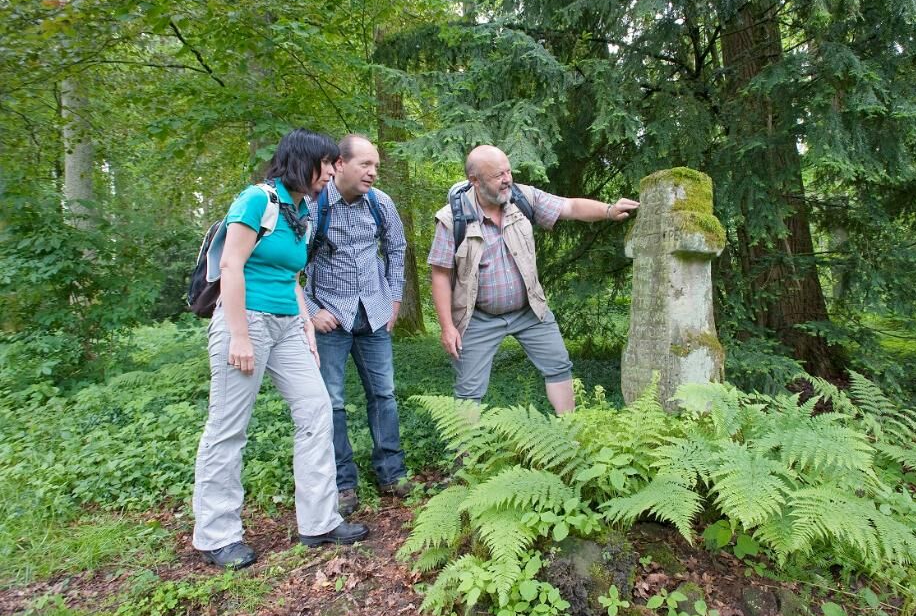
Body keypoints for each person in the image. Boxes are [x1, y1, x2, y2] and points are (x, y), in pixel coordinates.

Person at [192, 129, 369, 570]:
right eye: (327, 164)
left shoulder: (302, 211)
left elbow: (291, 277)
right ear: (303, 161)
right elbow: (231, 265)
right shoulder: (257, 200)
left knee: (316, 410)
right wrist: (239, 335)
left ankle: (320, 521)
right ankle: (217, 535)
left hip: (288, 324)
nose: (331, 172)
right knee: (228, 427)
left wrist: (305, 324)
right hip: (245, 319)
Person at [427, 145, 639, 414]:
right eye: (498, 175)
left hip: (530, 309)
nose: (507, 179)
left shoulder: (522, 198)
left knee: (559, 367)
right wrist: (447, 327)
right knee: (469, 390)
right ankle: (466, 443)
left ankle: (571, 431)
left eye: (508, 171)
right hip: (477, 317)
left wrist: (609, 210)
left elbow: (569, 206)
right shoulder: (451, 219)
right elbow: (440, 275)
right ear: (475, 181)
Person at [304, 134, 410, 516]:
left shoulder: (381, 204)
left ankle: (392, 474)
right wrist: (311, 311)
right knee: (331, 402)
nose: (372, 172)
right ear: (340, 164)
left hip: (374, 313)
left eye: (375, 166)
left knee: (384, 395)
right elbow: (290, 264)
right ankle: (343, 484)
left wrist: (394, 299)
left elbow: (396, 249)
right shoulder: (312, 206)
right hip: (330, 318)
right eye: (365, 164)